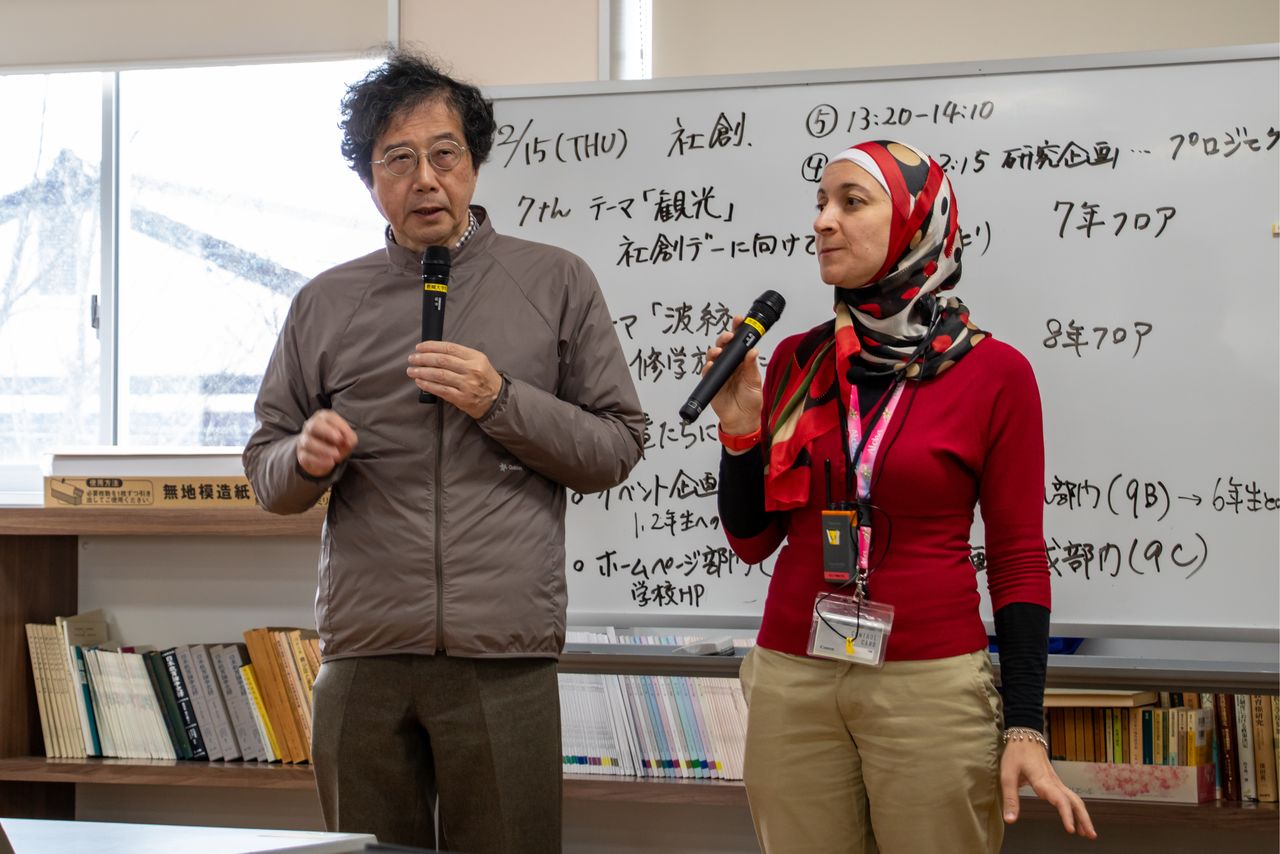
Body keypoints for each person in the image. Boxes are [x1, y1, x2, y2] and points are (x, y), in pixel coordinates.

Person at [243, 51, 644, 854]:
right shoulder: (325, 301)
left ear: (474, 163)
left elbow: (615, 446)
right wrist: (307, 458)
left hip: (505, 652)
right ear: (369, 179)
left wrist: (501, 399)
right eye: (398, 159)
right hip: (364, 650)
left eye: (444, 154)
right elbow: (265, 470)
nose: (425, 179)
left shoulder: (556, 280)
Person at [705, 140, 1096, 853]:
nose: (823, 220)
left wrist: (1025, 725)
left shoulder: (996, 373)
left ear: (917, 224)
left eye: (851, 202)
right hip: (792, 675)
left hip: (930, 685)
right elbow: (753, 541)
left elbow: (1017, 556)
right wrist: (739, 433)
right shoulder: (796, 359)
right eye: (820, 203)